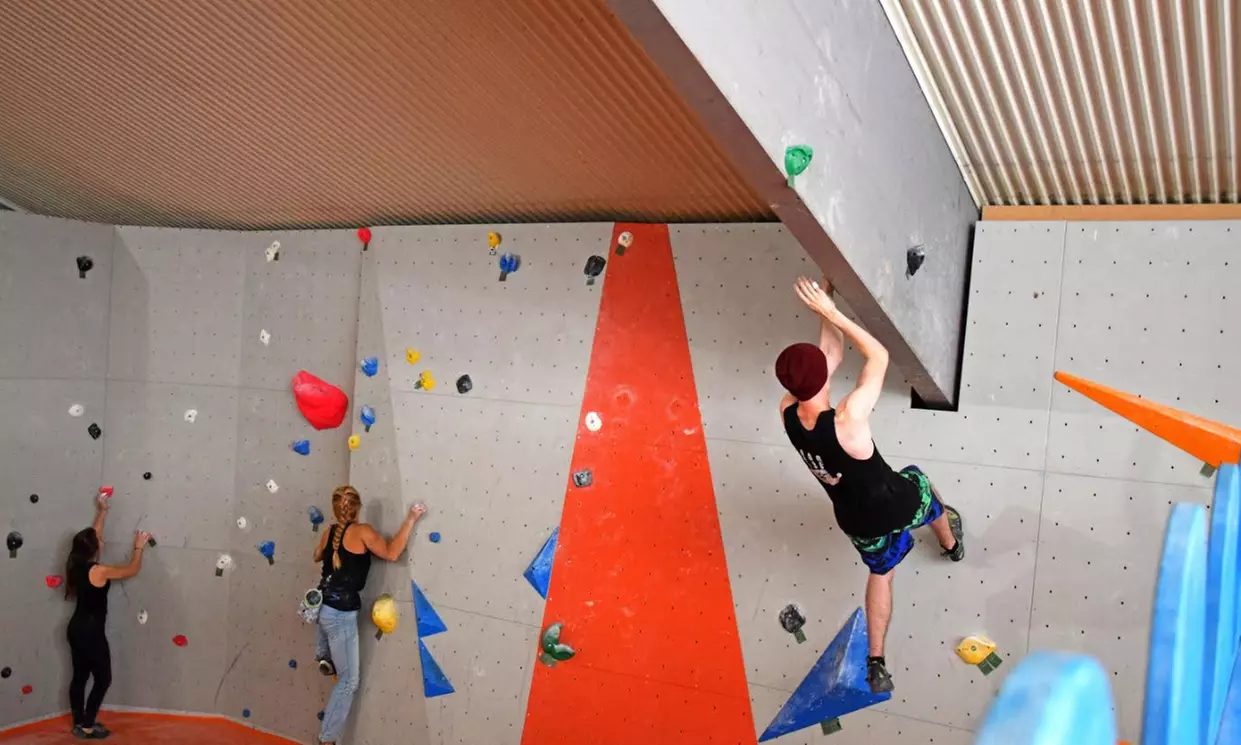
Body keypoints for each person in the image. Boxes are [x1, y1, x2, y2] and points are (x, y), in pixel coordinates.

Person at [776, 276, 964, 694]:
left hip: (854, 520)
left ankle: (876, 660)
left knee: (882, 572)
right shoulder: (848, 418)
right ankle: (951, 544)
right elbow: (878, 356)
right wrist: (834, 314)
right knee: (925, 492)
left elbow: (829, 355)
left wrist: (825, 302)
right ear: (822, 376)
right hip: (894, 502)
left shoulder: (787, 410)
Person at [311, 485, 426, 745]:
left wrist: (329, 546)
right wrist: (411, 519)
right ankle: (326, 740)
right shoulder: (363, 532)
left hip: (322, 608)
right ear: (357, 507)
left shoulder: (329, 532)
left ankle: (323, 654)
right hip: (340, 614)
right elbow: (392, 552)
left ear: (335, 509)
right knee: (348, 682)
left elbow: (316, 556)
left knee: (332, 642)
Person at [64, 491, 152, 739]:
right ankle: (87, 725)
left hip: (76, 628)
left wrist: (102, 511)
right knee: (103, 679)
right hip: (91, 632)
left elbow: (95, 536)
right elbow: (132, 569)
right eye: (99, 541)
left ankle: (79, 722)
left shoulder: (75, 565)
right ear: (95, 548)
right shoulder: (99, 571)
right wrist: (139, 547)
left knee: (80, 677)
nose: (102, 541)